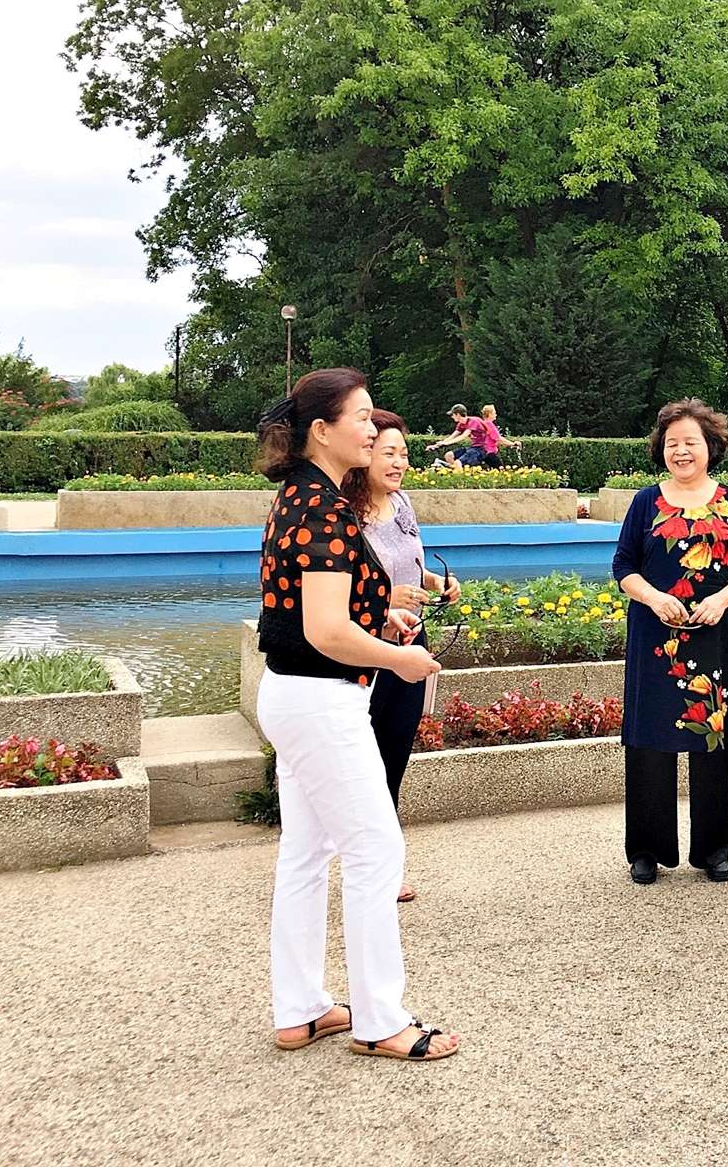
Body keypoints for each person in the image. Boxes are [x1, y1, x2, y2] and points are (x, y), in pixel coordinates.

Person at [253, 368, 458, 1063]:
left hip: (295, 695)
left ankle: (302, 1010)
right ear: (322, 430)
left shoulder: (303, 495)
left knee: (307, 854)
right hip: (321, 698)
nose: (374, 429)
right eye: (363, 417)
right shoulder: (324, 510)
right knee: (375, 851)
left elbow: (322, 613)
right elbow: (325, 630)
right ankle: (380, 1021)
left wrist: (381, 620)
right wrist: (399, 658)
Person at [612, 399, 728, 885]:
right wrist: (654, 598)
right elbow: (623, 567)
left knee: (712, 738)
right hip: (655, 636)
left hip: (713, 636)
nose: (681, 451)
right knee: (649, 742)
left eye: (690, 442)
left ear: (710, 447)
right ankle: (647, 850)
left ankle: (713, 850)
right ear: (661, 449)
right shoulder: (645, 502)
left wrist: (722, 599)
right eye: (672, 443)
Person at [342, 409, 461, 904]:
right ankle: (361, 864)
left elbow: (410, 564)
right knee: (361, 760)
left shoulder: (402, 504)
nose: (399, 463)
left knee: (393, 754)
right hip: (365, 647)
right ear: (364, 453)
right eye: (388, 453)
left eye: (404, 454)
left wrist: (436, 582)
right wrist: (386, 600)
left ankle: (383, 864)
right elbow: (335, 592)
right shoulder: (344, 514)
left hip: (410, 643)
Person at [427, 404, 487, 470]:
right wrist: (435, 446)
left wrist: (447, 443)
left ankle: (460, 474)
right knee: (449, 455)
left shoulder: (473, 421)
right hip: (473, 447)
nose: (452, 417)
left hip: (482, 449)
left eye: (452, 415)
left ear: (458, 414)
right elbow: (452, 436)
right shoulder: (461, 424)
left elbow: (463, 436)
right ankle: (457, 472)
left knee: (458, 463)